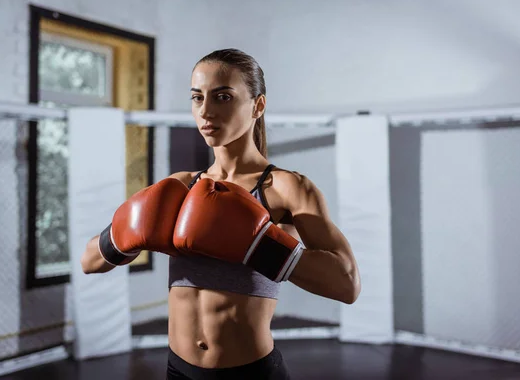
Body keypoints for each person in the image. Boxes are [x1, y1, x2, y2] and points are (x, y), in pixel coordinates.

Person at [80, 48, 361, 379]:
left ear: (258, 105)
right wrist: (125, 235)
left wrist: (260, 245)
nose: (206, 111)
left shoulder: (285, 188)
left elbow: (347, 285)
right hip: (179, 371)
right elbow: (89, 262)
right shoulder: (181, 186)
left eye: (223, 97)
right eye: (197, 98)